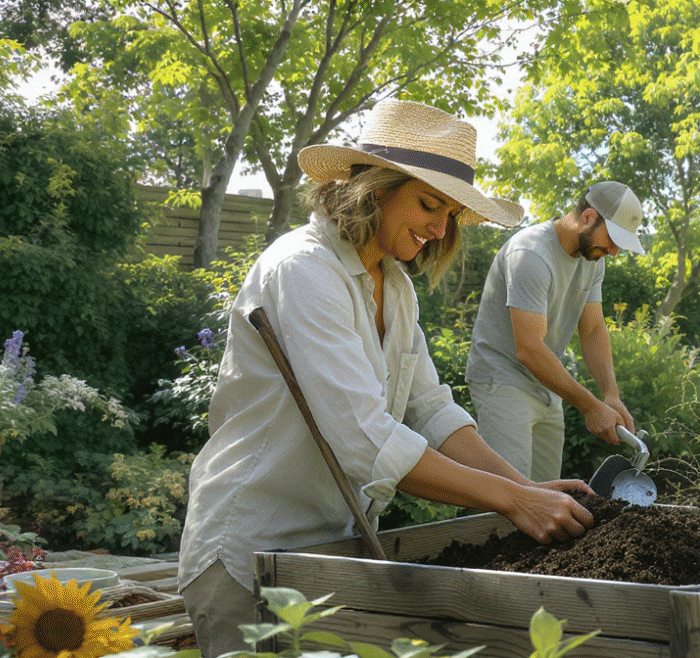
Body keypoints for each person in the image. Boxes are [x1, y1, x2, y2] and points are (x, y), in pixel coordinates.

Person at [178, 99, 595, 657]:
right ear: (373, 187)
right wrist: (509, 502)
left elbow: (431, 409)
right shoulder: (304, 270)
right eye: (429, 204)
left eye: (450, 214)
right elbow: (365, 440)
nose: (439, 227)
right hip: (251, 552)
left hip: (332, 551)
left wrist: (522, 487)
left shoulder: (394, 287)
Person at [466, 182, 645, 482]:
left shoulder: (592, 261)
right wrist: (590, 406)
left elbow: (592, 329)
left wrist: (610, 395)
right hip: (503, 381)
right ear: (588, 217)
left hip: (548, 386)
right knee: (509, 497)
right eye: (613, 239)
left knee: (547, 499)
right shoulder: (531, 254)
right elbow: (529, 349)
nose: (614, 251)